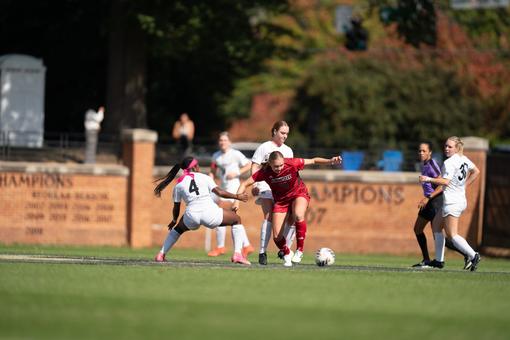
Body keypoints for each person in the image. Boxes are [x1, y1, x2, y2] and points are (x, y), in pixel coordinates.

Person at [234, 151, 342, 267]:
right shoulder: (264, 172)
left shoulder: (292, 163)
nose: (279, 168)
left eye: (281, 165)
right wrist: (236, 200)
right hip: (281, 202)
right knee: (277, 237)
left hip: (299, 194)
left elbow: (313, 160)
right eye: (276, 166)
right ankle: (287, 253)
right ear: (270, 163)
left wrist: (330, 161)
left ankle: (299, 250)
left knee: (298, 215)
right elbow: (244, 184)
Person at [153, 157, 250, 265]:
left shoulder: (178, 185)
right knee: (236, 219)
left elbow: (176, 207)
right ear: (194, 167)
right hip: (209, 213)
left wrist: (174, 220)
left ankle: (161, 254)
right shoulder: (204, 177)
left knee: (177, 230)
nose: (198, 166)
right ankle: (237, 254)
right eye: (197, 164)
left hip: (191, 216)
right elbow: (219, 192)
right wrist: (237, 196)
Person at [419, 136, 481, 271]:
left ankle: (473, 255)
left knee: (452, 235)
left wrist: (428, 178)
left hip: (452, 202)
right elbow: (476, 171)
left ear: (457, 148)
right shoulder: (463, 159)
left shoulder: (449, 162)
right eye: (445, 146)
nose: (446, 148)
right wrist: (464, 186)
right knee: (436, 225)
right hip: (457, 200)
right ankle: (439, 261)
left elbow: (445, 182)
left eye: (450, 147)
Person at [411, 142, 465, 268]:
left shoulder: (432, 165)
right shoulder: (424, 164)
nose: (421, 153)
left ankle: (467, 253)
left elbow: (442, 184)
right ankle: (426, 260)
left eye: (424, 151)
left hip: (435, 201)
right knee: (418, 229)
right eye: (420, 151)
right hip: (429, 201)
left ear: (430, 153)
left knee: (438, 235)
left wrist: (428, 197)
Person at [250, 121, 296, 265]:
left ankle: (285, 250)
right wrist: (256, 184)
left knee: (292, 218)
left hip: (282, 188)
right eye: (282, 132)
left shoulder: (288, 150)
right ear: (275, 131)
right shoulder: (264, 147)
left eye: (287, 133)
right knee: (269, 216)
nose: (285, 136)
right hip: (266, 186)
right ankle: (262, 252)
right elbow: (255, 166)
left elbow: (291, 170)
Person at [207, 131, 254, 258]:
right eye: (221, 140)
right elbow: (212, 171)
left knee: (220, 215)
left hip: (233, 190)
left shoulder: (235, 154)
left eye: (225, 140)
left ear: (230, 142)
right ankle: (246, 246)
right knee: (233, 219)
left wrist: (237, 172)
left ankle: (221, 247)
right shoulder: (216, 156)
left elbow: (250, 165)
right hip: (223, 190)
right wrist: (209, 181)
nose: (223, 142)